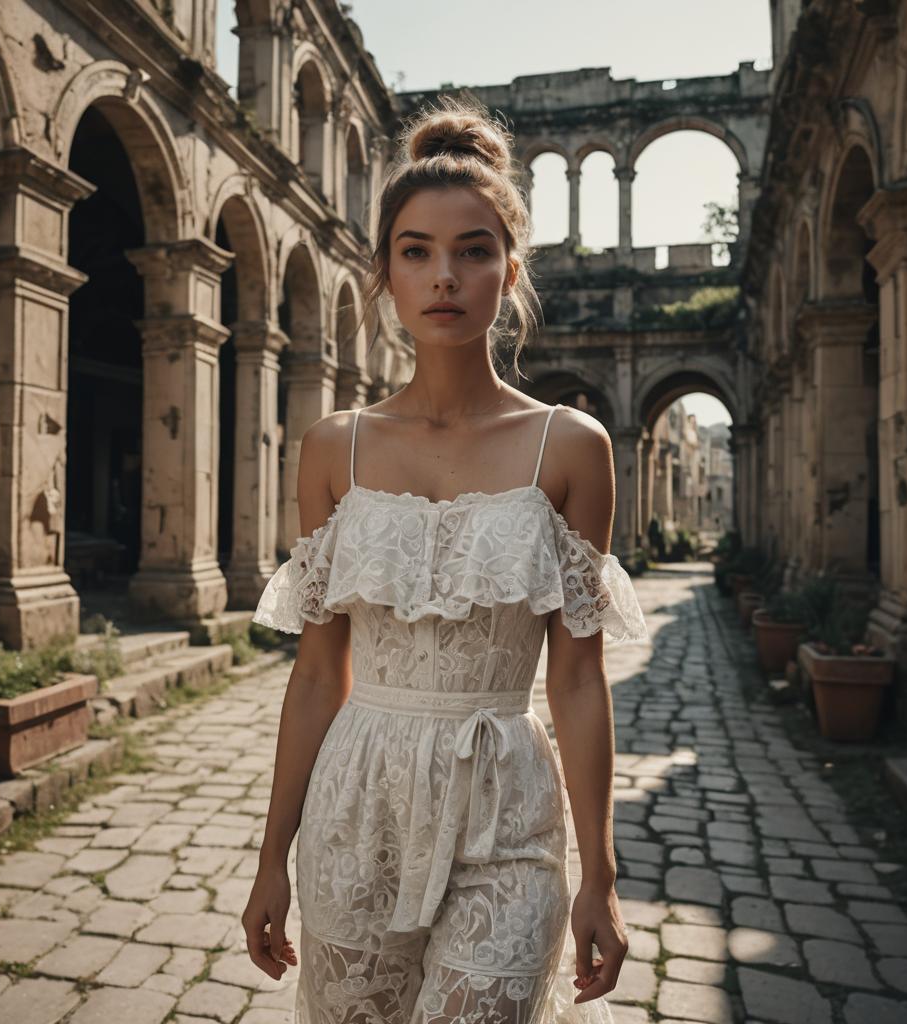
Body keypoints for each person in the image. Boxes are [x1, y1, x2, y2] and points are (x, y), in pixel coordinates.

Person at [242, 95, 650, 1023]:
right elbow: (316, 674)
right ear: (384, 275)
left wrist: (602, 877)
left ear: (510, 271)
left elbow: (579, 680)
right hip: (356, 806)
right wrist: (273, 857)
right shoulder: (332, 448)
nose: (445, 277)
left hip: (506, 802)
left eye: (473, 250)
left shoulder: (572, 447)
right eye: (416, 251)